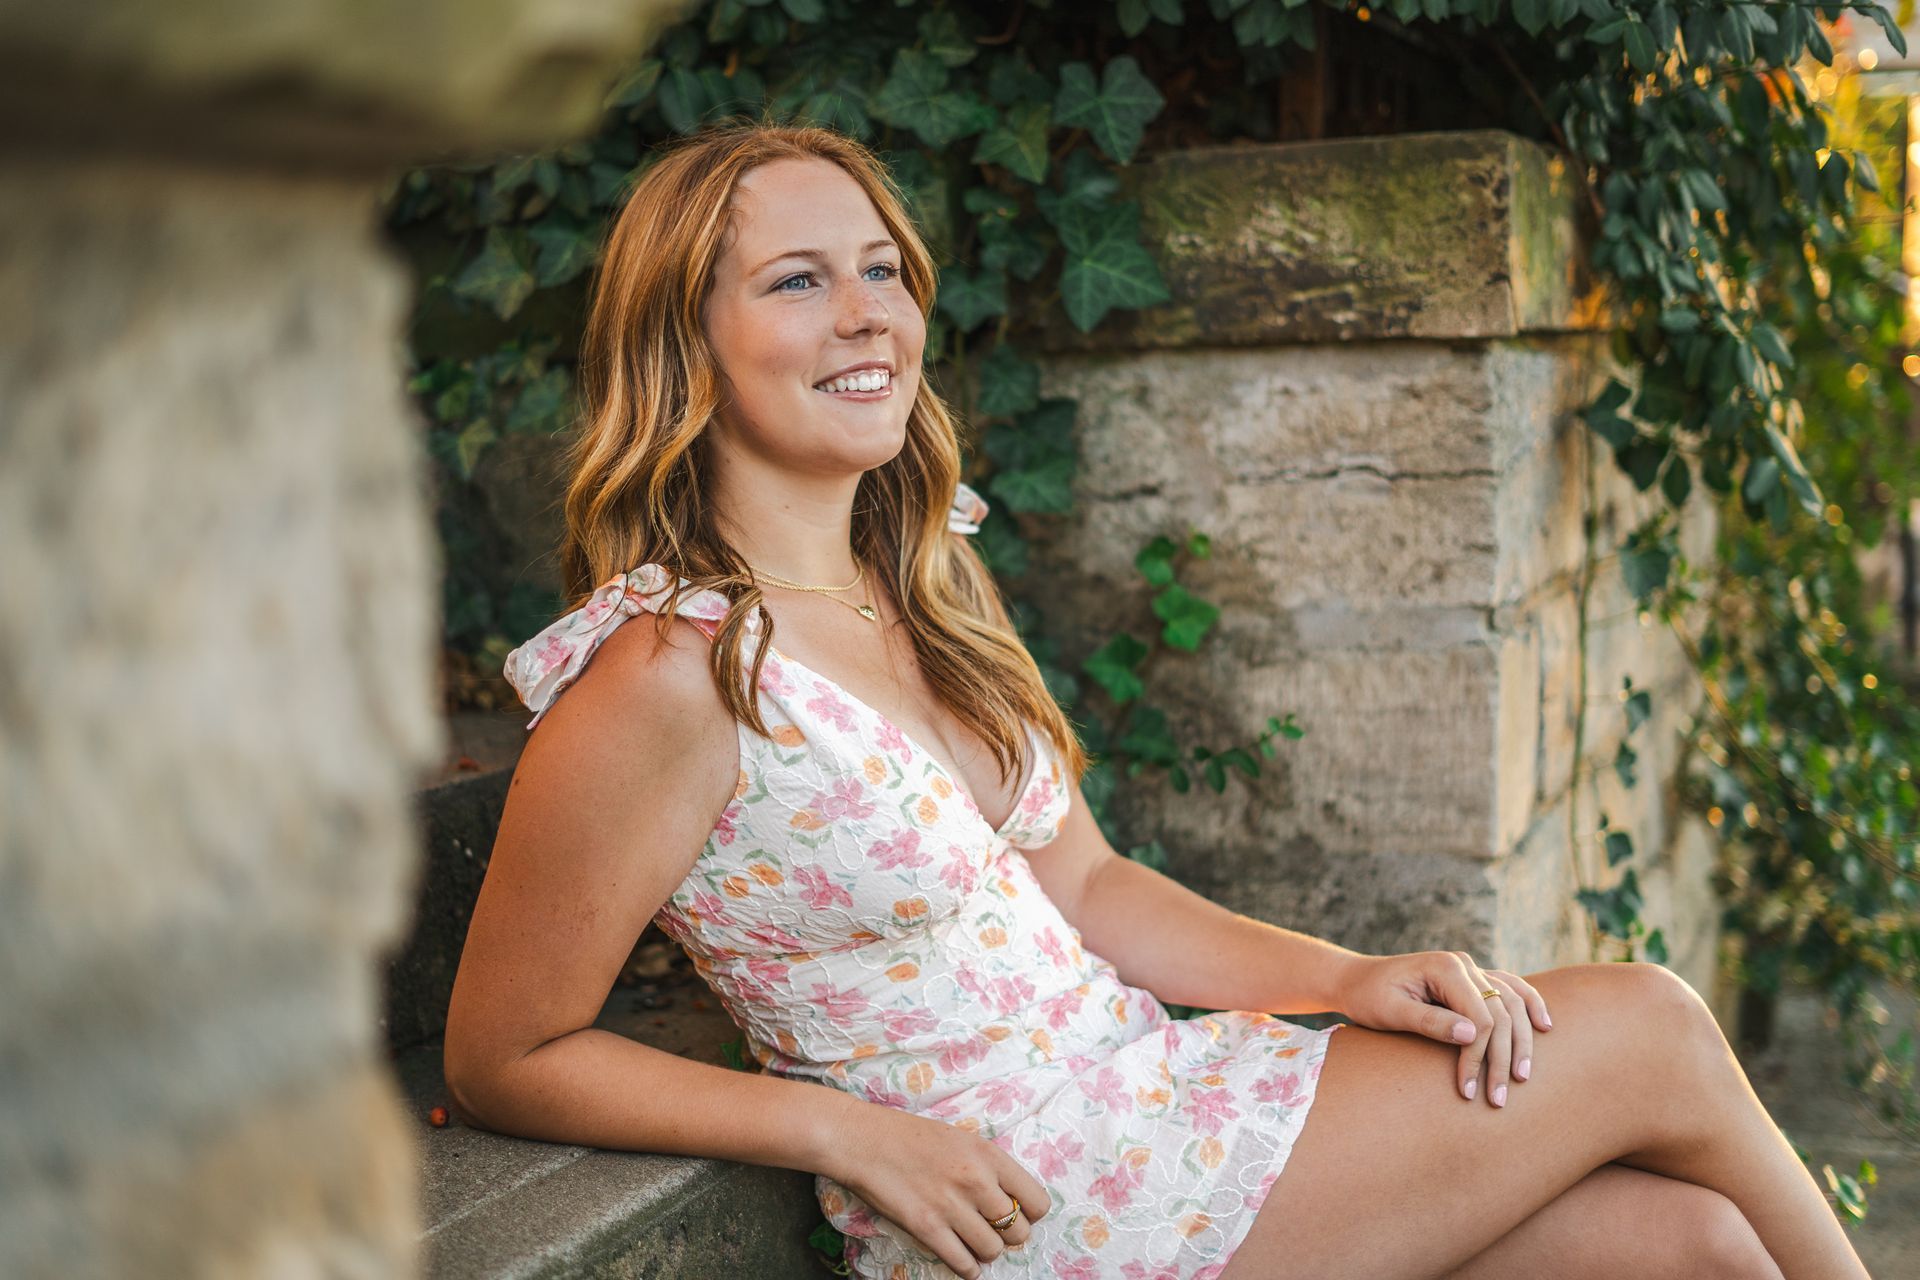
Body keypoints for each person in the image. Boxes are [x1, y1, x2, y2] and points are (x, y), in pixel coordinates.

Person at [442, 117, 1867, 1280]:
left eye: (883, 269)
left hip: (1146, 1094)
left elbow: (1094, 886)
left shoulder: (926, 574)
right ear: (686, 342)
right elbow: (506, 1053)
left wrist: (1345, 979)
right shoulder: (672, 671)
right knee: (1648, 1026)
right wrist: (838, 1133)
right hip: (1032, 1198)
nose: (869, 313)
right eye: (797, 282)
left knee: (1693, 1248)